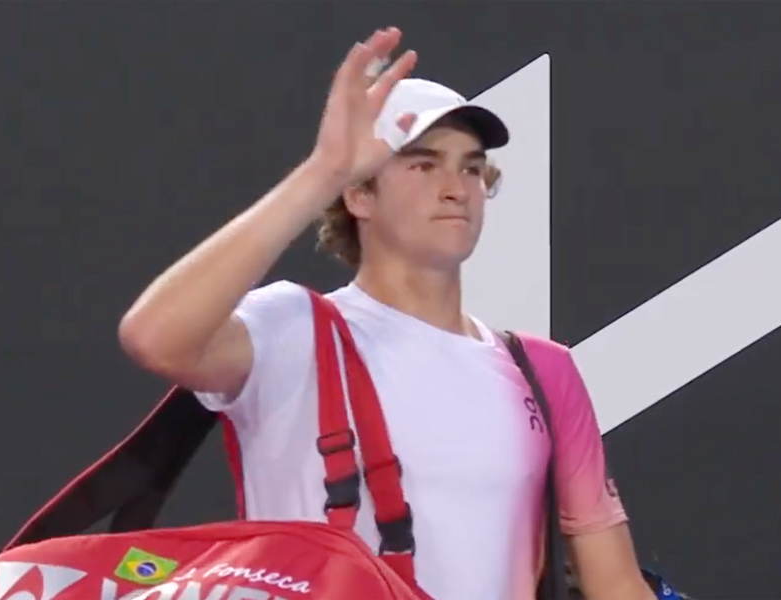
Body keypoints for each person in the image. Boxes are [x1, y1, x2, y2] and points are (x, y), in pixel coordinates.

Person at [118, 27, 657, 600]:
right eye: (424, 166)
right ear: (360, 195)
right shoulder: (295, 329)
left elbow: (615, 586)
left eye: (471, 168)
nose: (457, 189)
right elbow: (155, 338)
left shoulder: (544, 370)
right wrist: (323, 171)